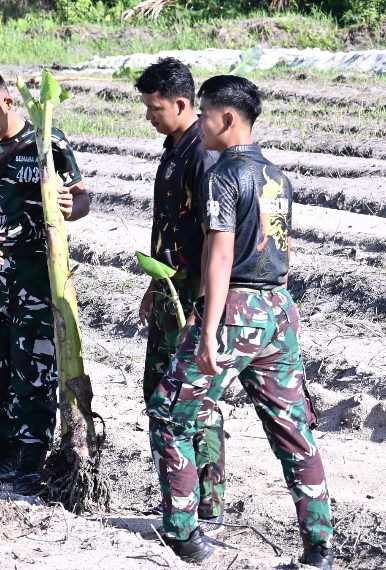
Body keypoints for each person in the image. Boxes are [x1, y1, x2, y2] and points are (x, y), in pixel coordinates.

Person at [146, 76, 334, 568]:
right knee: (294, 431)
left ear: (227, 119)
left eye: (205, 114)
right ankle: (319, 548)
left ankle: (185, 534)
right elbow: (281, 252)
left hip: (237, 310)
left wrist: (207, 329)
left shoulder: (224, 175)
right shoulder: (277, 177)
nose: (200, 125)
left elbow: (221, 255)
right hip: (278, 309)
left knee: (169, 413)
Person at [0, 70, 90, 494]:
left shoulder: (47, 142)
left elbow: (83, 198)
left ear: (7, 102)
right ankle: (5, 457)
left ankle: (31, 463)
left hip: (37, 275)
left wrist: (71, 204)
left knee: (34, 370)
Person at [134, 58, 225, 534]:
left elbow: (215, 238)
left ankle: (206, 504)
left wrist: (201, 308)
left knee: (192, 400)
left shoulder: (202, 155)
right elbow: (168, 225)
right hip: (170, 288)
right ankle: (178, 496)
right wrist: (155, 285)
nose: (149, 115)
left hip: (192, 292)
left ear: (182, 104)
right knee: (160, 391)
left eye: (155, 108)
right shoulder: (174, 147)